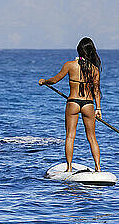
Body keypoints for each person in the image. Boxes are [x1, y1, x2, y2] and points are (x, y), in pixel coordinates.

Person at [39, 37, 103, 172]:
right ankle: (98, 167)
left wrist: (44, 81)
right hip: (89, 104)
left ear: (79, 50)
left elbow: (55, 80)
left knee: (70, 136)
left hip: (73, 102)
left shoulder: (70, 65)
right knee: (92, 137)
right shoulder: (94, 69)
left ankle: (69, 168)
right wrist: (98, 108)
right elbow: (96, 90)